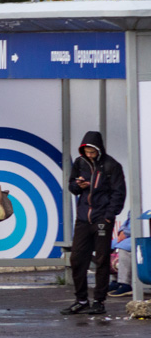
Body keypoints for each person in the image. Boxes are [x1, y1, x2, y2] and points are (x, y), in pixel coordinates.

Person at [63, 131, 126, 316]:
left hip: (102, 219)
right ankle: (81, 300)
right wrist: (78, 185)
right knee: (76, 259)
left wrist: (108, 216)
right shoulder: (79, 163)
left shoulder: (112, 165)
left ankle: (99, 301)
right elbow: (71, 186)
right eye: (86, 151)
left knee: (101, 260)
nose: (89, 155)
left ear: (99, 149)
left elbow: (119, 193)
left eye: (92, 151)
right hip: (83, 219)